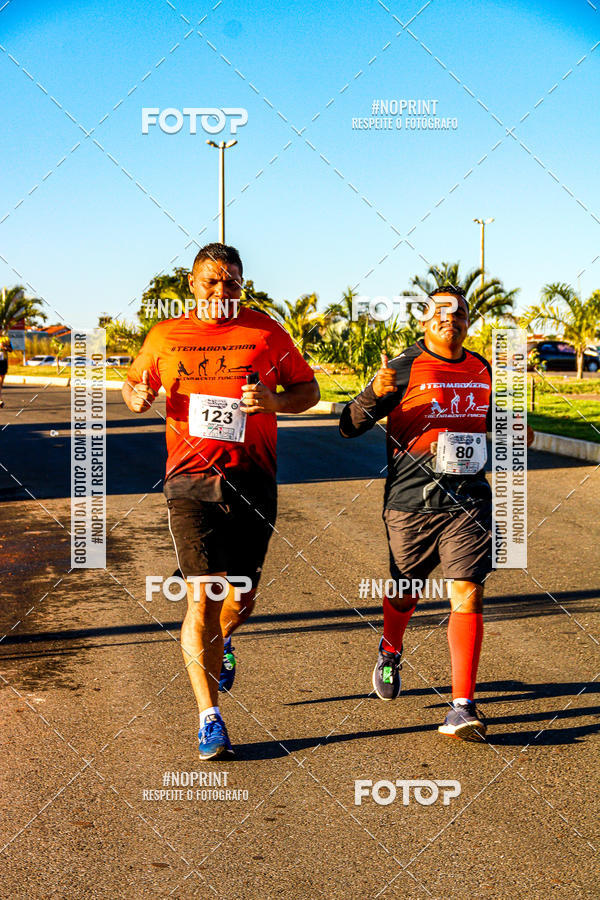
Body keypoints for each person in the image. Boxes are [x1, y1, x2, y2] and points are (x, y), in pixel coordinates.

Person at [122, 243, 319, 759]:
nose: (220, 290)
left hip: (253, 479)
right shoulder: (166, 334)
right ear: (192, 285)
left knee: (241, 597)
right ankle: (210, 717)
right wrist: (136, 395)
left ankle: (225, 640)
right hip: (188, 482)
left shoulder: (265, 332)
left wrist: (275, 401)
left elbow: (309, 390)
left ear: (241, 286)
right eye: (210, 280)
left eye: (231, 281)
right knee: (203, 595)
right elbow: (134, 382)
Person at [339, 286, 534, 742]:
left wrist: (515, 427)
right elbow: (348, 426)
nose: (453, 318)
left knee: (467, 592)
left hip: (469, 501)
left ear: (469, 322)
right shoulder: (402, 366)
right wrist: (372, 394)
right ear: (425, 320)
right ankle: (390, 647)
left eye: (461, 312)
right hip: (411, 503)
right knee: (406, 589)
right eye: (442, 311)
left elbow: (503, 432)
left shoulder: (483, 368)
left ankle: (462, 706)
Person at [0, 332, 13, 408]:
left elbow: (11, 349)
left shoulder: (6, 339)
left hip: (3, 361)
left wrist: (5, 347)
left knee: (1, 381)